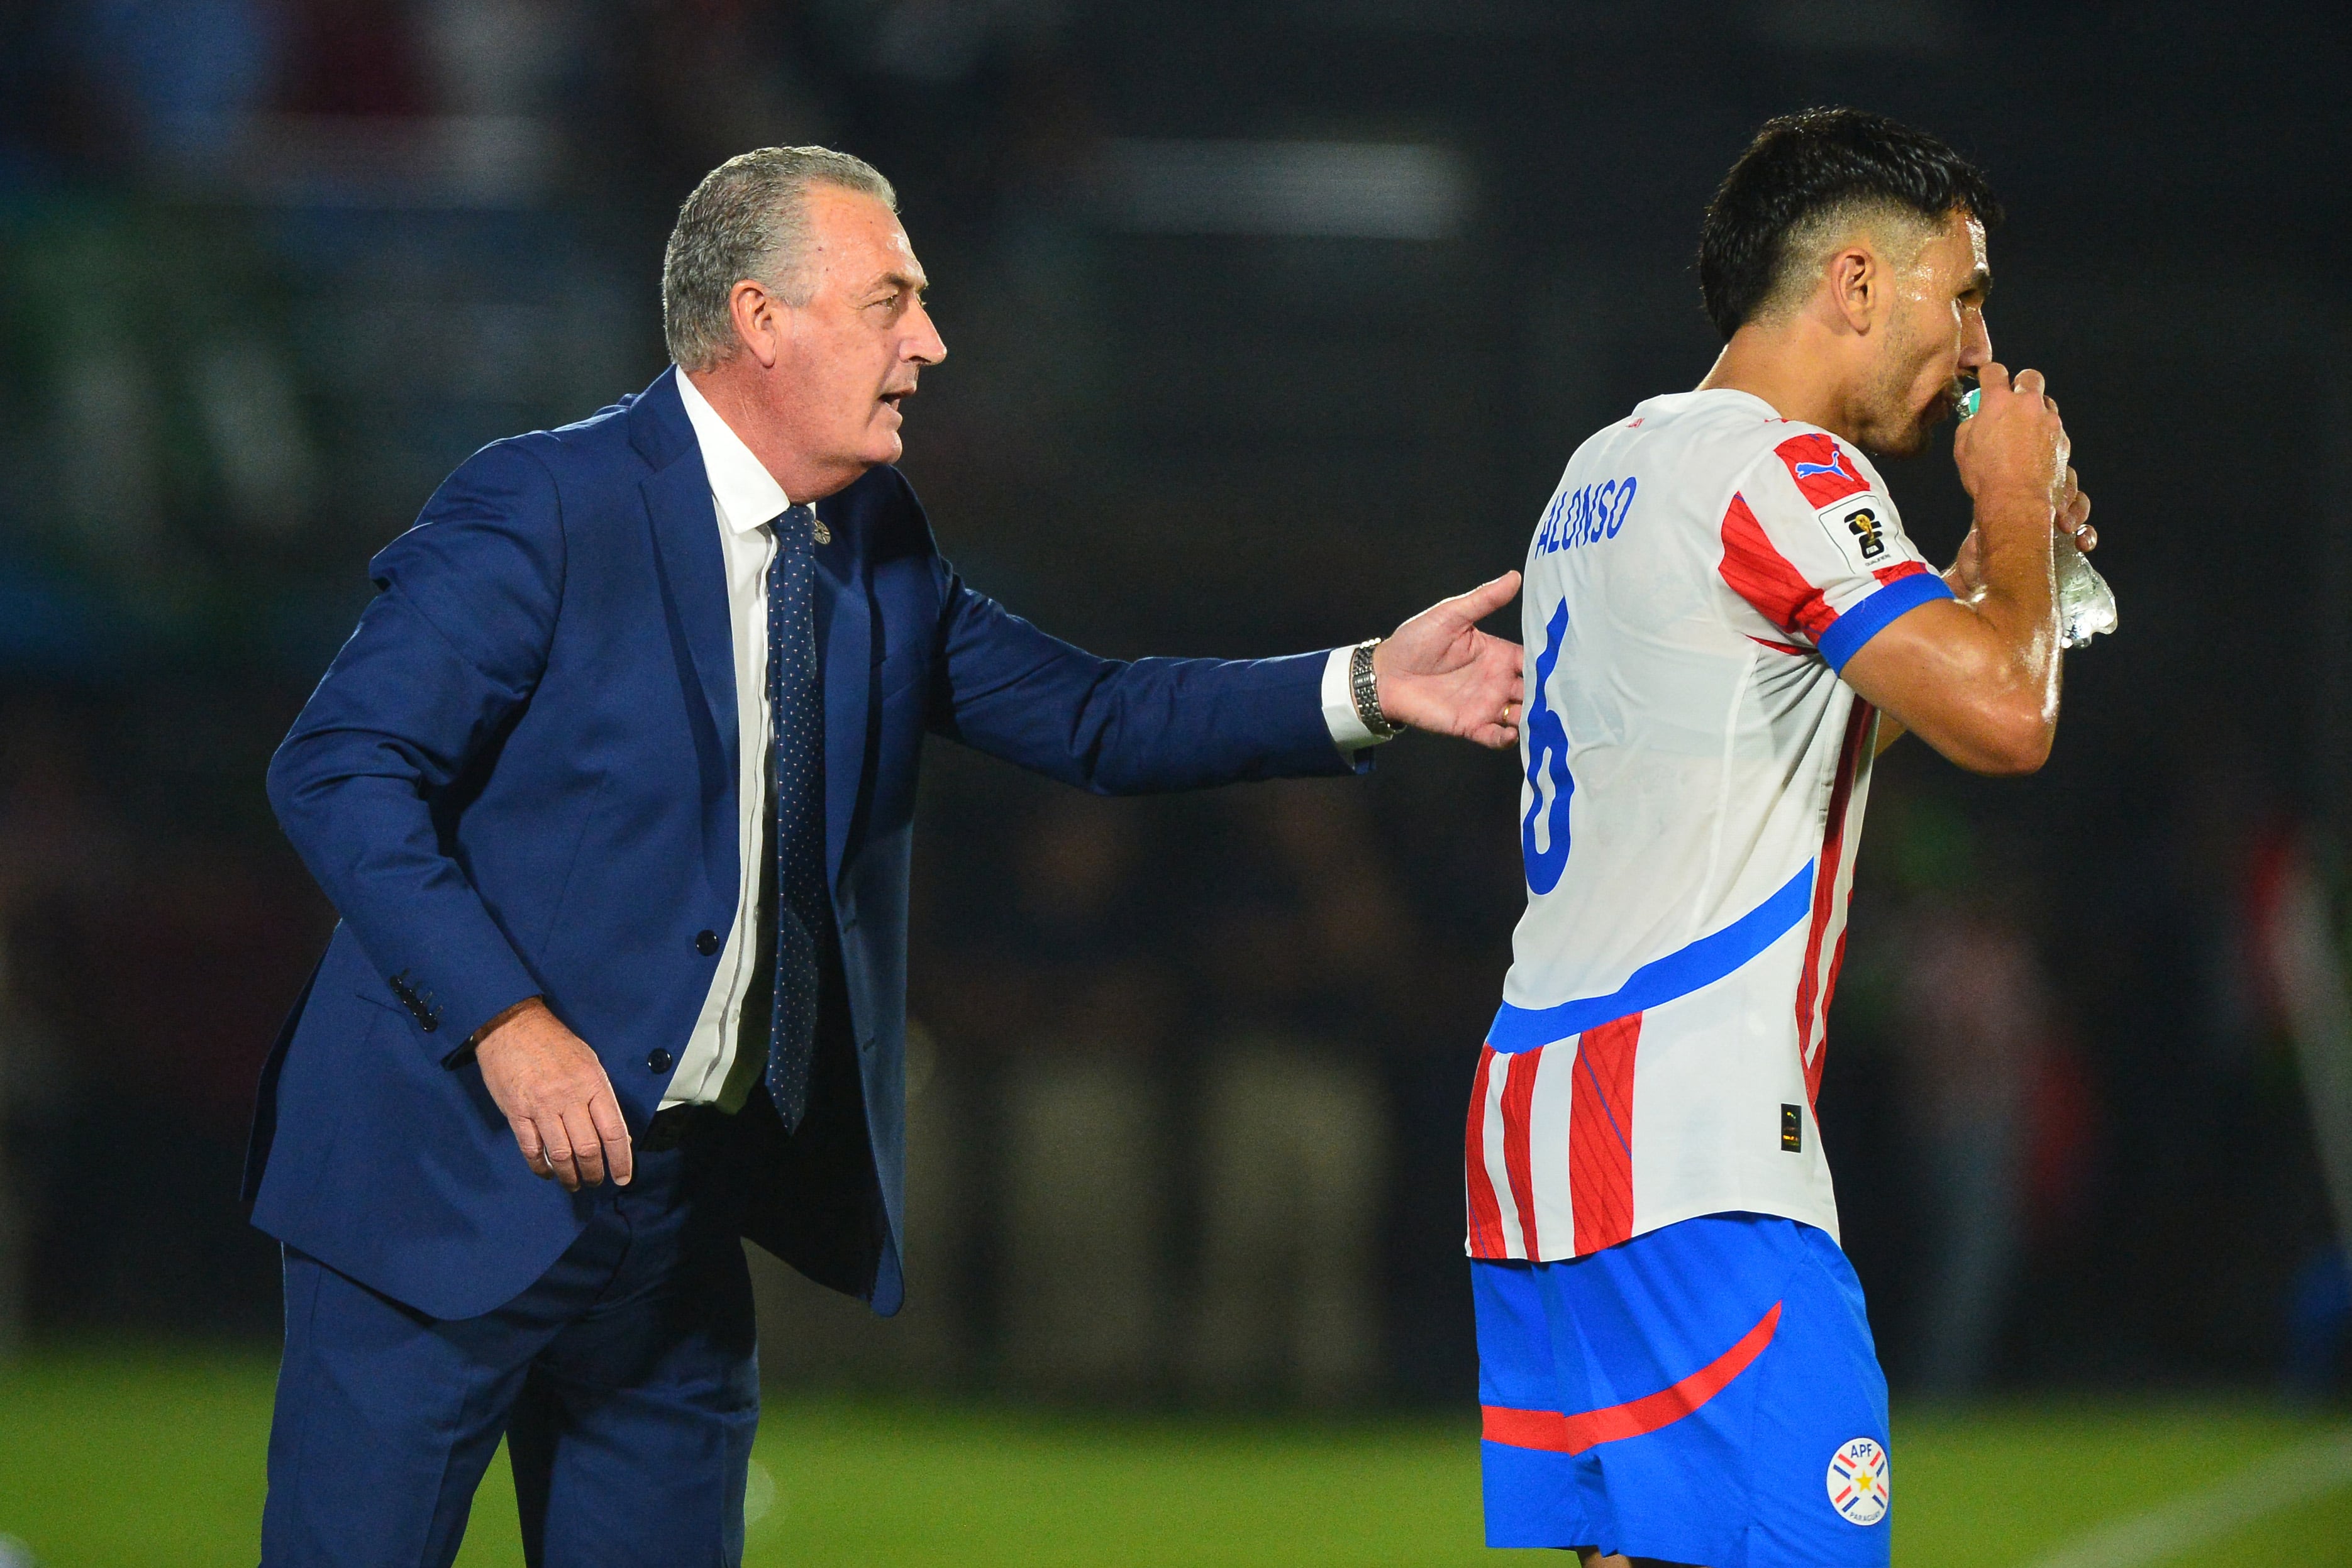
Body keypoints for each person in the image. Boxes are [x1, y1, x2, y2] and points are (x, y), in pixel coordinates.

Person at [245, 145, 1524, 1566]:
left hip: (671, 1220)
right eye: (889, 300)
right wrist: (508, 1017)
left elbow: (1091, 714)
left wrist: (1364, 684)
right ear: (759, 319)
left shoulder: (877, 543)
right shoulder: (542, 507)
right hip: (444, 1176)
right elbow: (341, 765)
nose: (930, 340)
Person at [1463, 108, 2093, 1567]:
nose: (1979, 350)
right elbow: (2005, 715)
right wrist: (2009, 506)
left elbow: (1792, 737)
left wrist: (1993, 572)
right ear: (1857, 283)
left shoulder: (1598, 478)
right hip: (1693, 1143)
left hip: (1545, 1130)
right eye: (1967, 295)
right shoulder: (1786, 476)